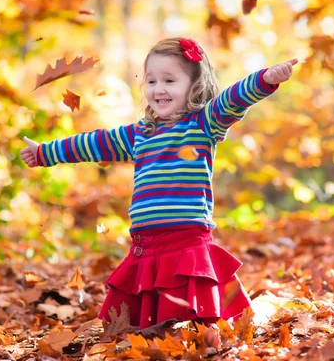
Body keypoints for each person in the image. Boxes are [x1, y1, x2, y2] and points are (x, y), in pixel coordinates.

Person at [20, 37, 297, 329]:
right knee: (137, 327)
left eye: (169, 80)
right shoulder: (139, 134)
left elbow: (233, 99)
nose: (159, 89)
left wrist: (264, 80)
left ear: (194, 86)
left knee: (188, 320)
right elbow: (93, 143)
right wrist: (44, 153)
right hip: (145, 248)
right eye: (151, 82)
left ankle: (198, 339)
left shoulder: (203, 123)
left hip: (186, 244)